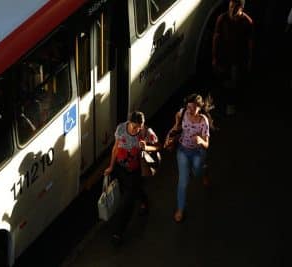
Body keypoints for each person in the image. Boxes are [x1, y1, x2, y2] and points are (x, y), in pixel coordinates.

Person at [104, 111, 159, 244]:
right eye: (134, 127)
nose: (136, 130)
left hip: (135, 172)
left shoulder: (145, 132)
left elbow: (158, 146)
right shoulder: (121, 128)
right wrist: (111, 166)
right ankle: (145, 202)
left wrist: (147, 147)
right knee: (135, 191)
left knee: (127, 203)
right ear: (129, 122)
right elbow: (115, 148)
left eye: (139, 127)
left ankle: (118, 232)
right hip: (120, 168)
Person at [166, 93, 214, 223]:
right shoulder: (183, 113)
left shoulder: (203, 121)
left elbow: (207, 144)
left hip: (198, 152)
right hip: (183, 150)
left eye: (193, 108)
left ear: (199, 107)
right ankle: (180, 209)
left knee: (197, 172)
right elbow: (177, 119)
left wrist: (200, 140)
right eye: (188, 107)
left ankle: (204, 171)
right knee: (183, 181)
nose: (190, 110)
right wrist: (176, 126)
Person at [212, 0, 254, 115]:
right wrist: (215, 56)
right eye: (230, 7)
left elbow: (249, 42)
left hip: (237, 58)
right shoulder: (222, 18)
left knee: (233, 81)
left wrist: (249, 59)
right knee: (223, 79)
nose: (232, 11)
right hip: (223, 56)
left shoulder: (247, 22)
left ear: (242, 8)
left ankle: (231, 104)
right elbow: (216, 37)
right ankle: (223, 101)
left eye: (235, 8)